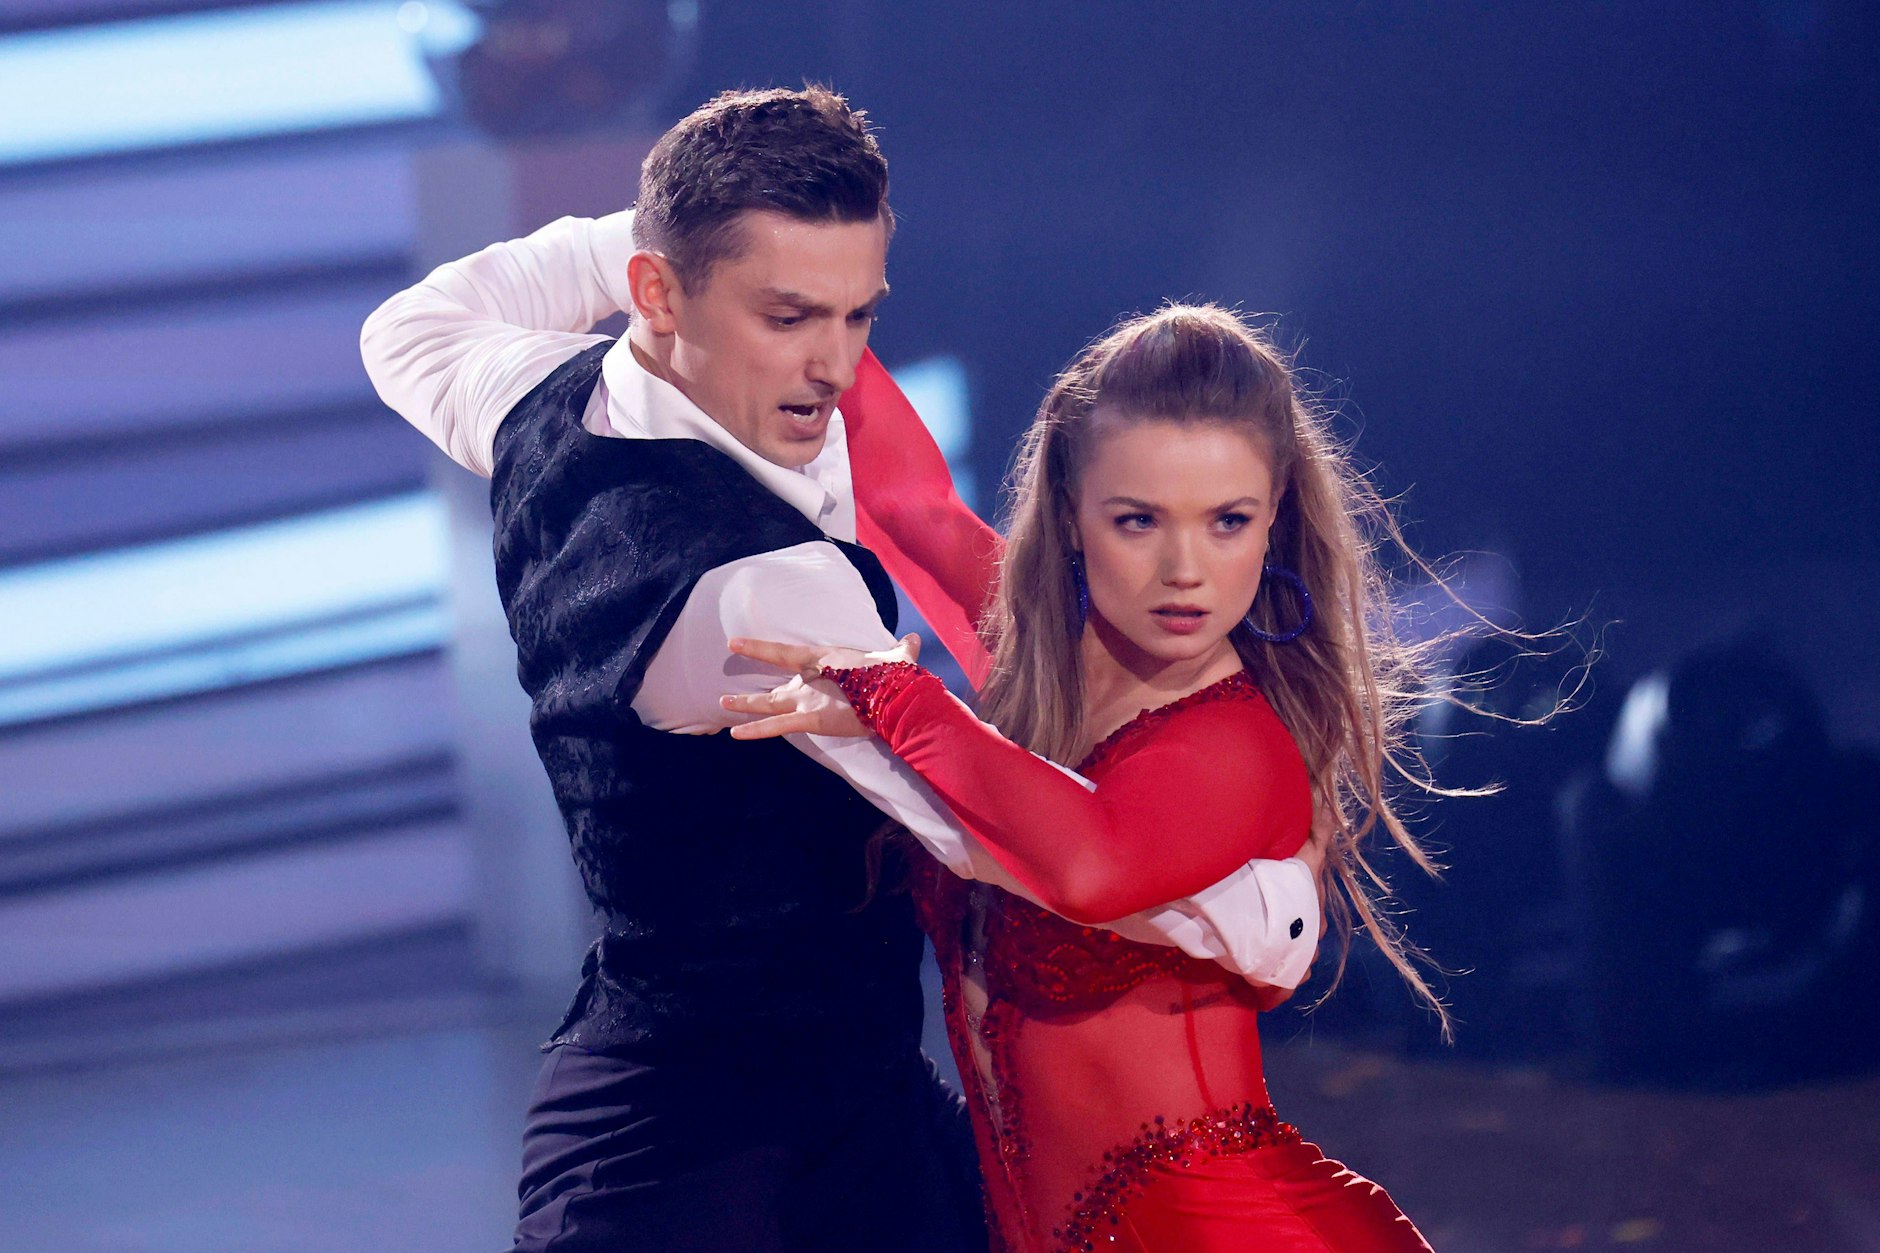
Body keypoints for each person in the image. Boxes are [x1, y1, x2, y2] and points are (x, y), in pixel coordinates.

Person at [360, 88, 1324, 1251]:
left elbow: (410, 326)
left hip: (843, 1105)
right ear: (657, 295)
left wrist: (695, 225)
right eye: (787, 316)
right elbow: (993, 829)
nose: (835, 367)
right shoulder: (769, 588)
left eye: (857, 314)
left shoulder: (527, 394)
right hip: (699, 1149)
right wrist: (1264, 907)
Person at [724, 305, 1441, 1250]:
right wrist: (782, 312)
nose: (1185, 571)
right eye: (1138, 520)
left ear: (1275, 522)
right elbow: (906, 501)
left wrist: (891, 692)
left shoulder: (1241, 747)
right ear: (1070, 513)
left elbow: (1091, 863)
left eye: (1229, 521)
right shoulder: (1038, 664)